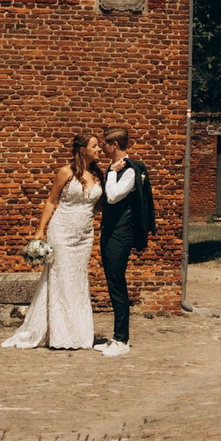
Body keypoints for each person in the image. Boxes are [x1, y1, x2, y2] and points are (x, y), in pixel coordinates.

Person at [4, 135, 102, 351]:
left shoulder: (97, 174)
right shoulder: (66, 172)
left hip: (85, 235)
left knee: (77, 280)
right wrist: (40, 230)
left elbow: (98, 205)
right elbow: (51, 201)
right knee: (60, 279)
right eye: (94, 146)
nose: (99, 149)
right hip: (62, 231)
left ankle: (79, 333)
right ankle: (59, 334)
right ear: (82, 149)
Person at [95, 125, 155, 357]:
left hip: (122, 232)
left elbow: (112, 196)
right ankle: (116, 337)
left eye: (105, 144)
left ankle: (122, 340)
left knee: (117, 282)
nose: (102, 148)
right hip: (110, 231)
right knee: (112, 281)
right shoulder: (116, 168)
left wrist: (111, 172)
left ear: (115, 145)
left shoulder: (130, 170)